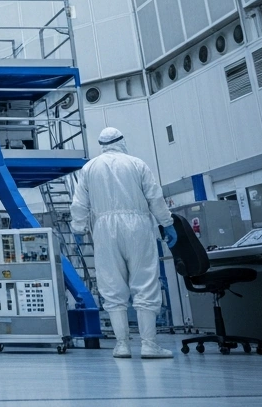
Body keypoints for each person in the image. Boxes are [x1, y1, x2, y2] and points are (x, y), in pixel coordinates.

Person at [71, 127, 177, 359]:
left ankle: (122, 345)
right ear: (122, 141)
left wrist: (77, 228)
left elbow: (79, 203)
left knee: (112, 285)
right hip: (138, 226)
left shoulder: (89, 168)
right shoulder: (137, 164)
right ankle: (149, 345)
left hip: (104, 229)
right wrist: (167, 223)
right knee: (146, 281)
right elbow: (154, 197)